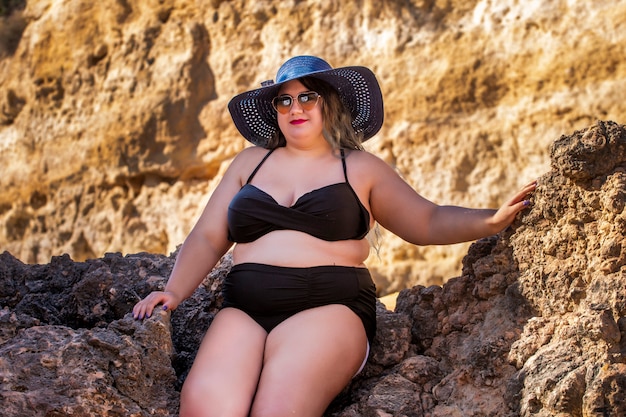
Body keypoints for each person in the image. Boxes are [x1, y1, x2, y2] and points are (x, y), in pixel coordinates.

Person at [132, 55, 536, 417]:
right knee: (206, 407)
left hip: (329, 307)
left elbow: (426, 221)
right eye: (284, 100)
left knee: (278, 411)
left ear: (330, 102)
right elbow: (207, 236)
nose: (295, 108)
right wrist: (174, 291)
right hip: (245, 309)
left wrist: (491, 220)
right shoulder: (249, 163)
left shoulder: (359, 167)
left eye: (308, 97)